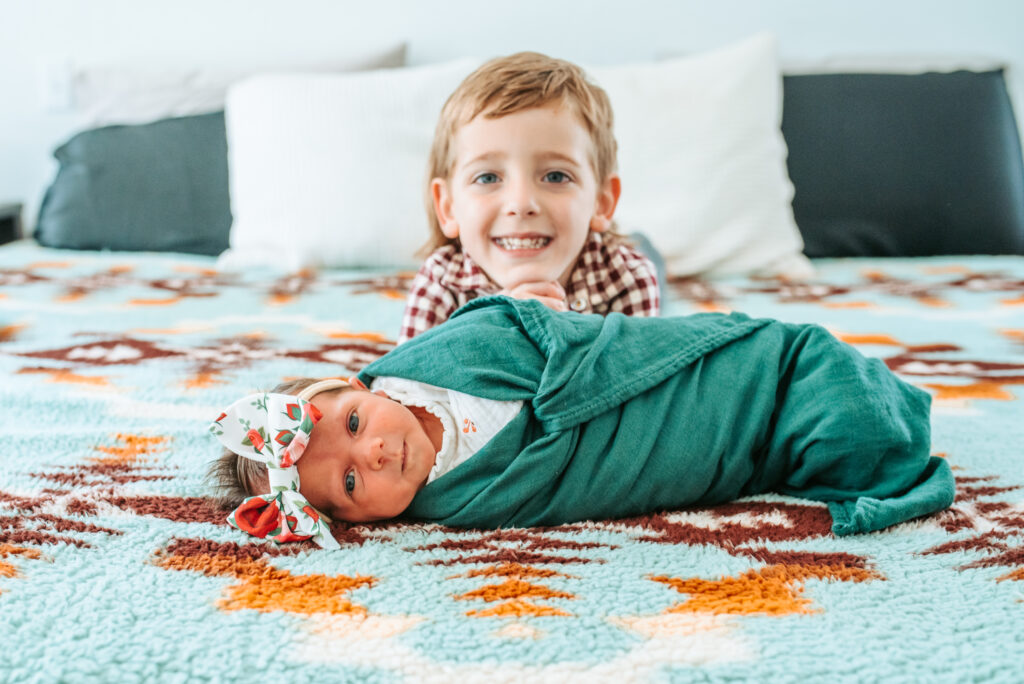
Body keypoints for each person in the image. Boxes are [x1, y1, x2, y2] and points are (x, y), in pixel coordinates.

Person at [209, 297, 956, 550]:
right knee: (851, 435)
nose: (373, 451)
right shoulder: (453, 507)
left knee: (833, 394)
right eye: (347, 481)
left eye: (352, 420)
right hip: (711, 436)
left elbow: (521, 328)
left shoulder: (430, 359)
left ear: (354, 382)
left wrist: (549, 328)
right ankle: (794, 444)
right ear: (353, 522)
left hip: (736, 369)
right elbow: (588, 475)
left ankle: (811, 398)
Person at [398, 51, 661, 343]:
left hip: (621, 256)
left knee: (649, 256)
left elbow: (636, 382)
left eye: (556, 176)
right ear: (448, 208)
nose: (521, 204)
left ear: (602, 202)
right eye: (487, 178)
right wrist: (497, 327)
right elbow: (405, 383)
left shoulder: (627, 275)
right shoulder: (440, 280)